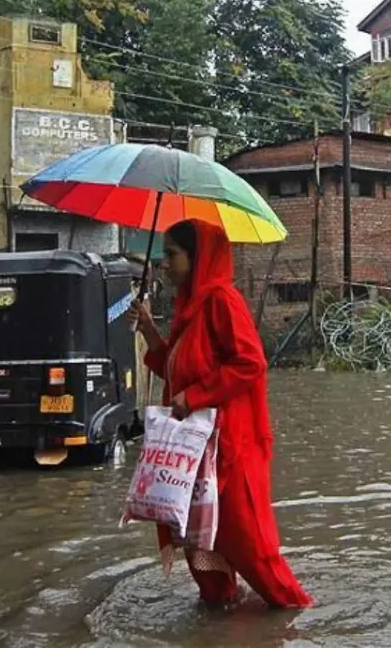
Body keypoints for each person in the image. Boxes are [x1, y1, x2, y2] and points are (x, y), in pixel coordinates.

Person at [126, 219, 312, 609]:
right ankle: (220, 609)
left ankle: (292, 608)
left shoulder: (222, 301)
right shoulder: (189, 308)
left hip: (231, 449)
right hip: (194, 452)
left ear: (198, 259)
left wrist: (195, 396)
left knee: (249, 545)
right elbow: (180, 369)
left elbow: (250, 362)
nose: (164, 264)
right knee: (199, 544)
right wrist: (150, 332)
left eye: (172, 255)